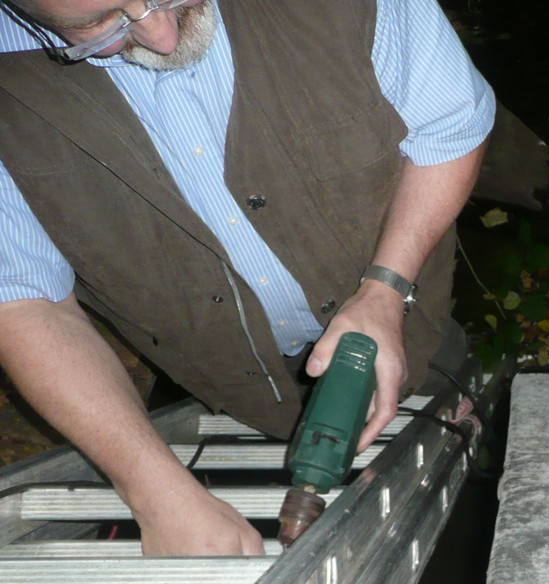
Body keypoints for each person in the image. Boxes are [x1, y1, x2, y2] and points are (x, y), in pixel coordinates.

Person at [0, 0, 498, 555]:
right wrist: (155, 492)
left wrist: (385, 288)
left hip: (414, 338)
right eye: (97, 25)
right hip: (224, 396)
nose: (160, 37)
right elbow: (24, 302)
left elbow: (449, 127)